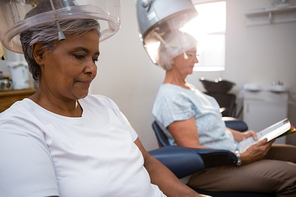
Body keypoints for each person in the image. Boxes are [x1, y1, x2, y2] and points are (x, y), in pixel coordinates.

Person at [0, 1, 206, 197]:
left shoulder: (105, 106)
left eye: (95, 58)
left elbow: (147, 162)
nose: (92, 69)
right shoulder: (18, 127)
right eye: (80, 55)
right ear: (40, 53)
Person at [152, 30, 296, 195]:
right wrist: (241, 156)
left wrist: (242, 136)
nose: (196, 60)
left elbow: (210, 126)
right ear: (172, 56)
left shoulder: (187, 88)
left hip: (231, 151)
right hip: (208, 169)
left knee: (293, 152)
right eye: (191, 54)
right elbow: (192, 149)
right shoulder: (170, 97)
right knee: (292, 176)